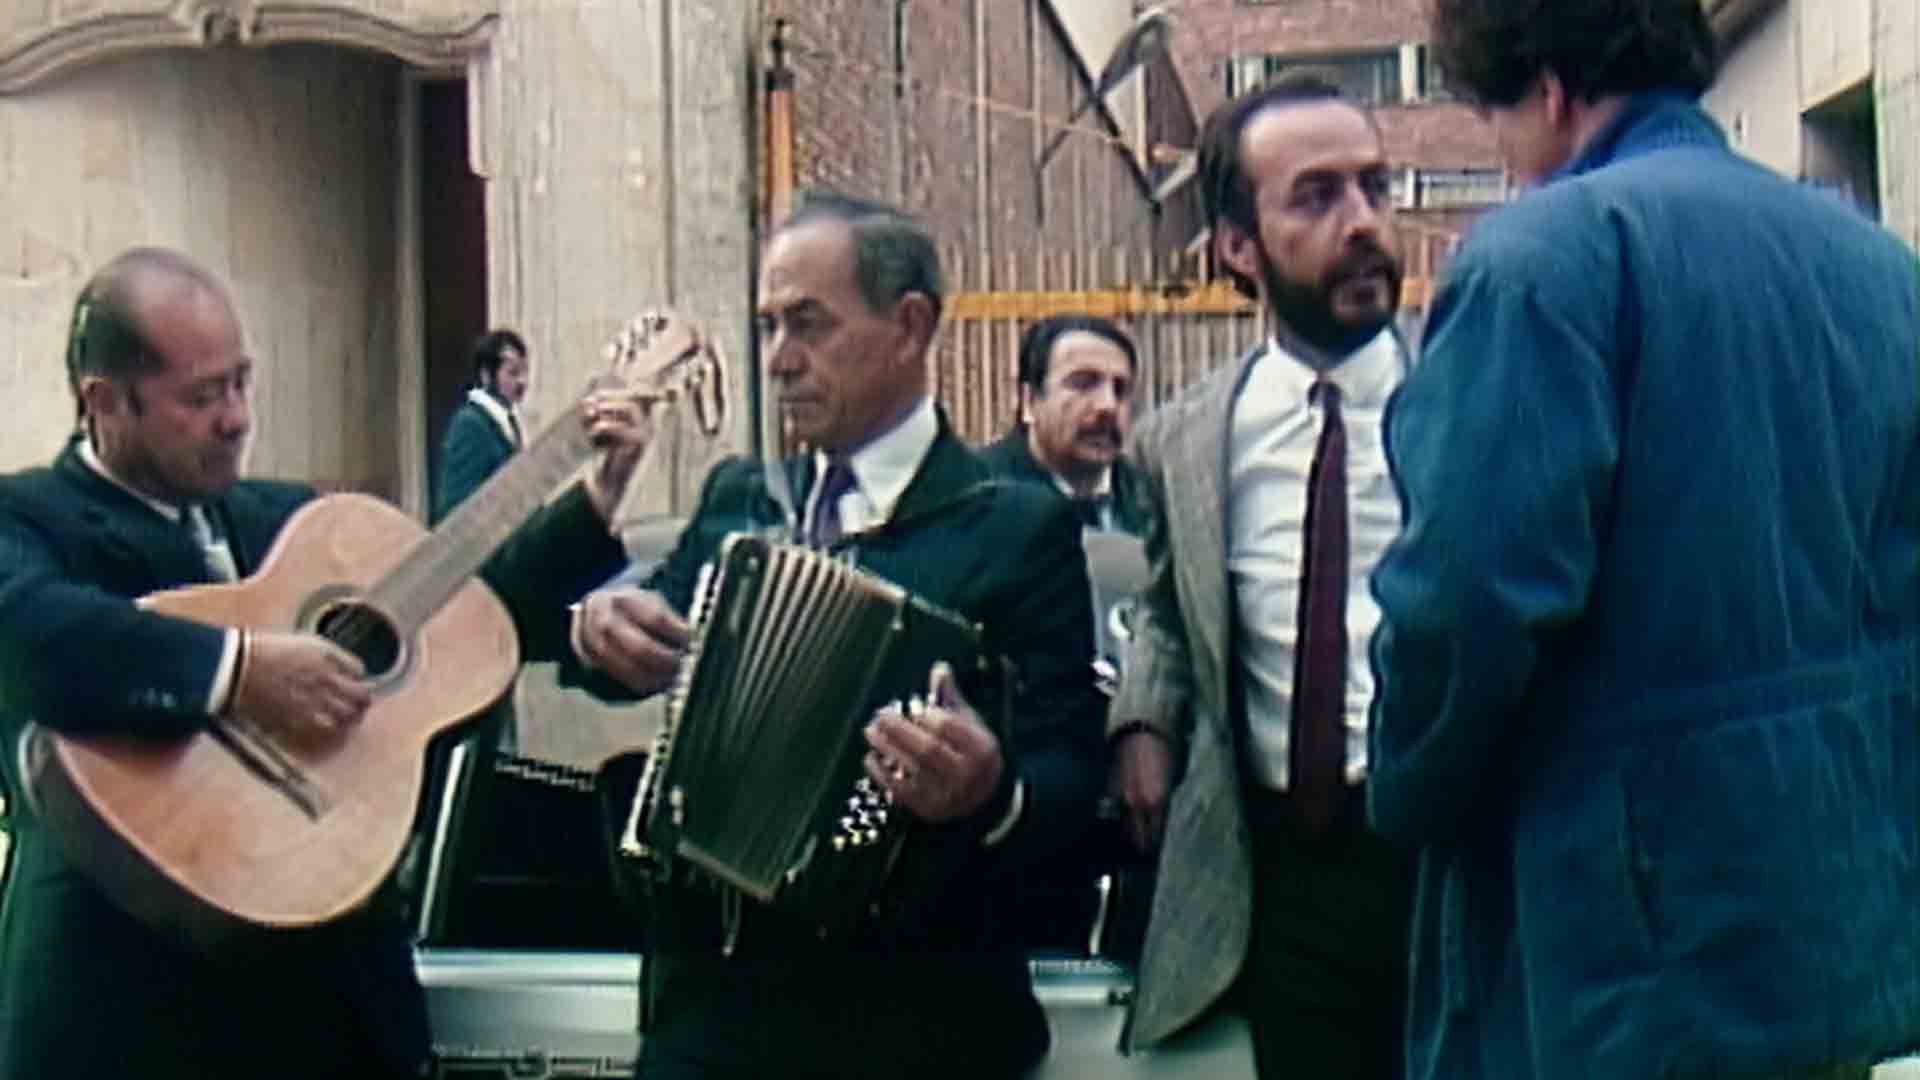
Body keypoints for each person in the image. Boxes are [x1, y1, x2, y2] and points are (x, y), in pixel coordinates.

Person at [1366, 1, 1920, 1077]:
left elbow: (1468, 600)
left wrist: (1405, 788)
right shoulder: (1881, 270)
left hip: (1620, 946)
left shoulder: (1544, 260)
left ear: (1551, 92)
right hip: (1841, 913)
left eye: (1498, 122)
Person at [0, 247, 649, 1080]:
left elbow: (456, 615)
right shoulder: (29, 520)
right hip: (130, 1013)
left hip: (329, 1015)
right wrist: (241, 669)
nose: (236, 416)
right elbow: (29, 633)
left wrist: (593, 498)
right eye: (202, 396)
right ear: (103, 403)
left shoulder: (296, 522)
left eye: (242, 381)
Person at [561, 189, 1107, 1080]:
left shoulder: (1016, 528)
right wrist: (599, 628)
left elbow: (1072, 777)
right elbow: (637, 641)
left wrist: (988, 789)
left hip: (912, 1030)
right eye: (769, 326)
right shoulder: (743, 499)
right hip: (711, 1022)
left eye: (808, 325)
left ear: (910, 325)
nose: (779, 358)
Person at [1105, 75, 1412, 1077]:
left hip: (1450, 859)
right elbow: (1165, 603)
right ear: (1237, 247)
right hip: (1280, 873)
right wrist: (1143, 719)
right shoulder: (1182, 440)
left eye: (1375, 187)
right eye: (1317, 197)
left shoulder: (1462, 401)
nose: (1364, 223)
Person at [979, 314, 1149, 534]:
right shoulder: (972, 500)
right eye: (1083, 383)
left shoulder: (1154, 497)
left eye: (1120, 389)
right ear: (1029, 401)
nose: (1108, 405)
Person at [434, 328, 531, 522]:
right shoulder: (470, 425)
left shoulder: (508, 422)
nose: (522, 381)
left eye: (525, 372)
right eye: (512, 373)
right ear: (487, 375)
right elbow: (457, 506)